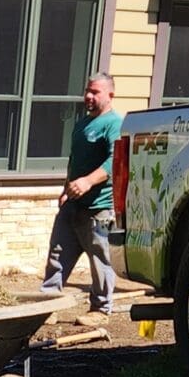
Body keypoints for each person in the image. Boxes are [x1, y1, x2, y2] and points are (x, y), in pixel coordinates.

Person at [41, 73, 121, 316]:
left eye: (95, 92)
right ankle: (47, 305)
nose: (88, 96)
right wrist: (66, 189)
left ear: (110, 95)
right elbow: (74, 161)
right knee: (57, 253)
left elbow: (114, 160)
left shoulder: (114, 123)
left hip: (99, 207)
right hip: (73, 204)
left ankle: (100, 308)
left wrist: (87, 181)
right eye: (87, 90)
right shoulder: (82, 124)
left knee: (100, 259)